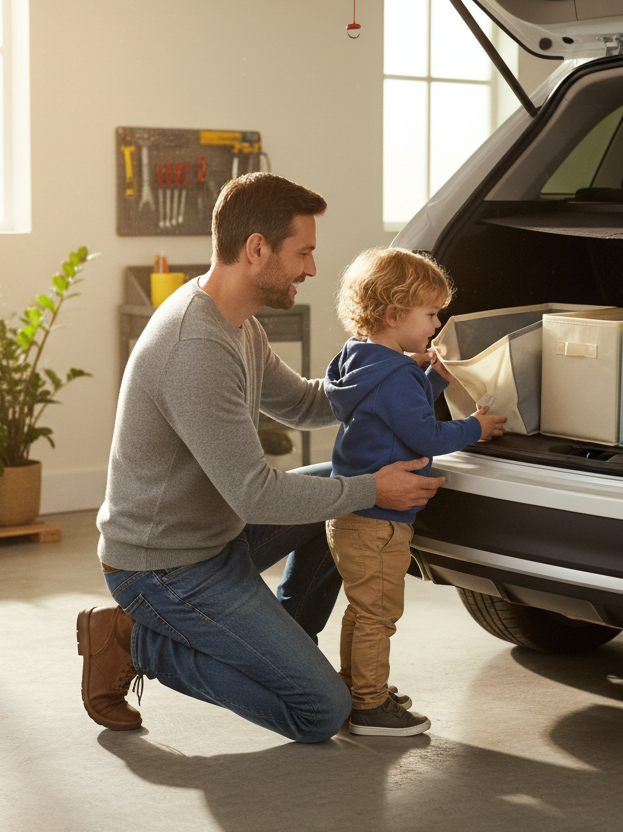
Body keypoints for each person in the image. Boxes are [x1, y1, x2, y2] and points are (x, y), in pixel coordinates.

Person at [77, 173, 445, 743]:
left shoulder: (236, 323)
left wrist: (393, 368)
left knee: (335, 479)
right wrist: (376, 489)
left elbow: (302, 402)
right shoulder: (195, 348)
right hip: (164, 568)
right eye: (303, 253)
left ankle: (289, 638)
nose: (312, 270)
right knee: (319, 711)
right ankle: (131, 638)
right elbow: (255, 493)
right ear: (256, 249)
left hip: (213, 538)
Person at [323, 248, 506, 737]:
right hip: (380, 522)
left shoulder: (358, 361)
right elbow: (424, 435)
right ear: (392, 314)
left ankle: (359, 689)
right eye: (429, 314)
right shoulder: (397, 374)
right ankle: (370, 705)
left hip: (351, 516)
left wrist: (430, 375)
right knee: (378, 616)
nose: (436, 323)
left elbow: (395, 412)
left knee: (362, 612)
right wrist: (475, 427)